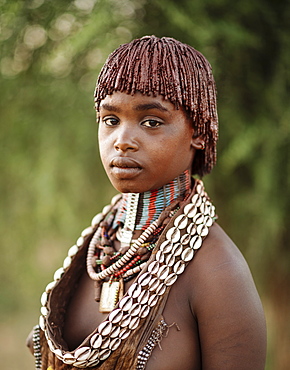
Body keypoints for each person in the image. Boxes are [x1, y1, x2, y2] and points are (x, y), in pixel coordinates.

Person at [27, 36, 267, 369]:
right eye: (111, 120)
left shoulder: (218, 273)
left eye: (151, 122)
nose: (122, 141)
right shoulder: (96, 252)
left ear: (199, 131)